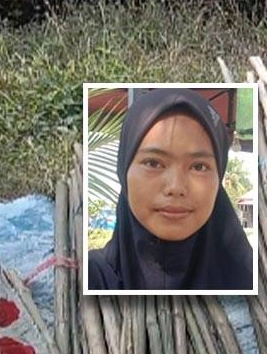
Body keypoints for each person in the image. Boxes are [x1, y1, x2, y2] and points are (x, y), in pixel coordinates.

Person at [87, 88, 253, 291]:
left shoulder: (255, 280)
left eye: (199, 166)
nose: (176, 187)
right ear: (124, 170)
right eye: (153, 163)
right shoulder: (89, 277)